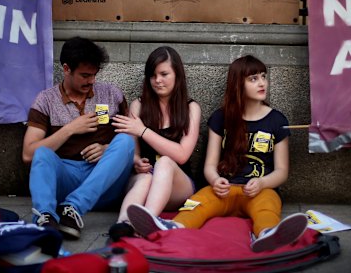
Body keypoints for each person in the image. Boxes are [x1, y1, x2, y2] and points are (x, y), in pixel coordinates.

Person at [126, 55, 308, 253]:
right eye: (253, 78)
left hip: (259, 190)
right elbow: (210, 165)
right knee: (198, 203)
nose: (262, 83)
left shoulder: (277, 120)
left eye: (264, 76)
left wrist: (263, 183)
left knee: (268, 207)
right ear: (238, 83)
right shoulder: (220, 118)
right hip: (223, 189)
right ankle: (172, 227)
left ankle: (266, 234)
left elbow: (282, 171)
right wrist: (214, 180)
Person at [22, 37, 135, 240]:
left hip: (105, 184)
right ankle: (46, 218)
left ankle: (73, 208)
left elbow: (130, 140)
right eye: (84, 75)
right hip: (66, 179)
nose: (91, 81)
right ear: (66, 69)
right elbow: (28, 154)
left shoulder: (112, 94)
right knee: (41, 153)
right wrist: (70, 129)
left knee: (125, 142)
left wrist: (107, 149)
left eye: (94, 75)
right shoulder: (45, 100)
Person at [109, 46, 201, 241]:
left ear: (177, 74)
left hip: (178, 186)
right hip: (145, 180)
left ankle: (147, 221)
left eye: (164, 74)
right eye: (153, 75)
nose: (157, 80)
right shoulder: (138, 106)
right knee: (145, 178)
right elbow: (132, 151)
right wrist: (136, 161)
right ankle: (123, 225)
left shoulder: (191, 108)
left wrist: (143, 130)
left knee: (166, 162)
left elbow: (182, 154)